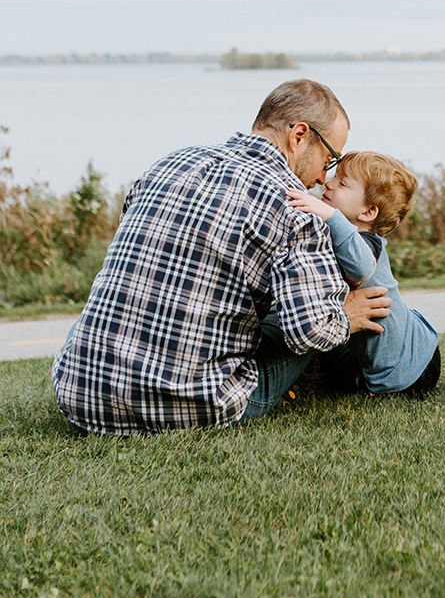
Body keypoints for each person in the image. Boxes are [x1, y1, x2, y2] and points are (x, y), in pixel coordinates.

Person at [52, 80, 391, 434]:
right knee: (311, 316)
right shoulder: (293, 206)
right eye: (329, 158)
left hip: (80, 395)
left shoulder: (168, 163)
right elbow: (310, 332)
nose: (324, 177)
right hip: (191, 405)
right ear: (299, 135)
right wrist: (346, 315)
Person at [286, 151, 441, 398]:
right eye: (335, 177)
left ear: (368, 212)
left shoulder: (366, 244)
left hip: (405, 376)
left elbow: (360, 267)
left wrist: (331, 215)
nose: (329, 183)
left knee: (326, 352)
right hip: (416, 345)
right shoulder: (346, 240)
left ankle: (314, 384)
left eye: (343, 183)